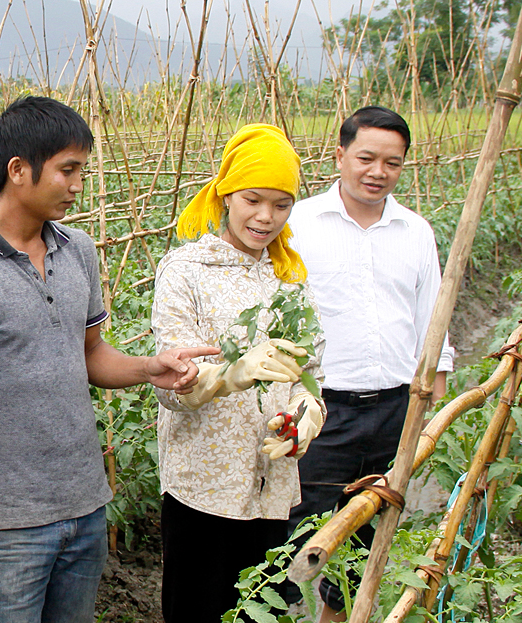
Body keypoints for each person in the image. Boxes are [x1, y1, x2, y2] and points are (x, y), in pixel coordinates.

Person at [0, 96, 216, 623]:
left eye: (82, 169)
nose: (79, 184)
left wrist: (152, 367)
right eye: (68, 170)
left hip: (84, 506)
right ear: (18, 170)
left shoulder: (77, 249)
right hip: (10, 523)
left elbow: (91, 355)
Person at [151, 123, 326, 623]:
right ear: (226, 194)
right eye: (253, 199)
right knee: (198, 612)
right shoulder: (186, 271)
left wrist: (306, 413)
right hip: (203, 491)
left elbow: (310, 372)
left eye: (282, 204)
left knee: (259, 611)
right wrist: (229, 375)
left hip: (272, 487)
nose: (266, 217)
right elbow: (170, 387)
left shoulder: (289, 277)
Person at [286, 106, 455, 621]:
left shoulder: (415, 231)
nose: (378, 172)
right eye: (366, 158)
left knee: (367, 533)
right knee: (291, 536)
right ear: (340, 156)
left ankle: (336, 617)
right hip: (320, 411)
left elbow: (433, 321)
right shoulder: (298, 224)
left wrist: (434, 401)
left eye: (393, 162)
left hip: (393, 408)